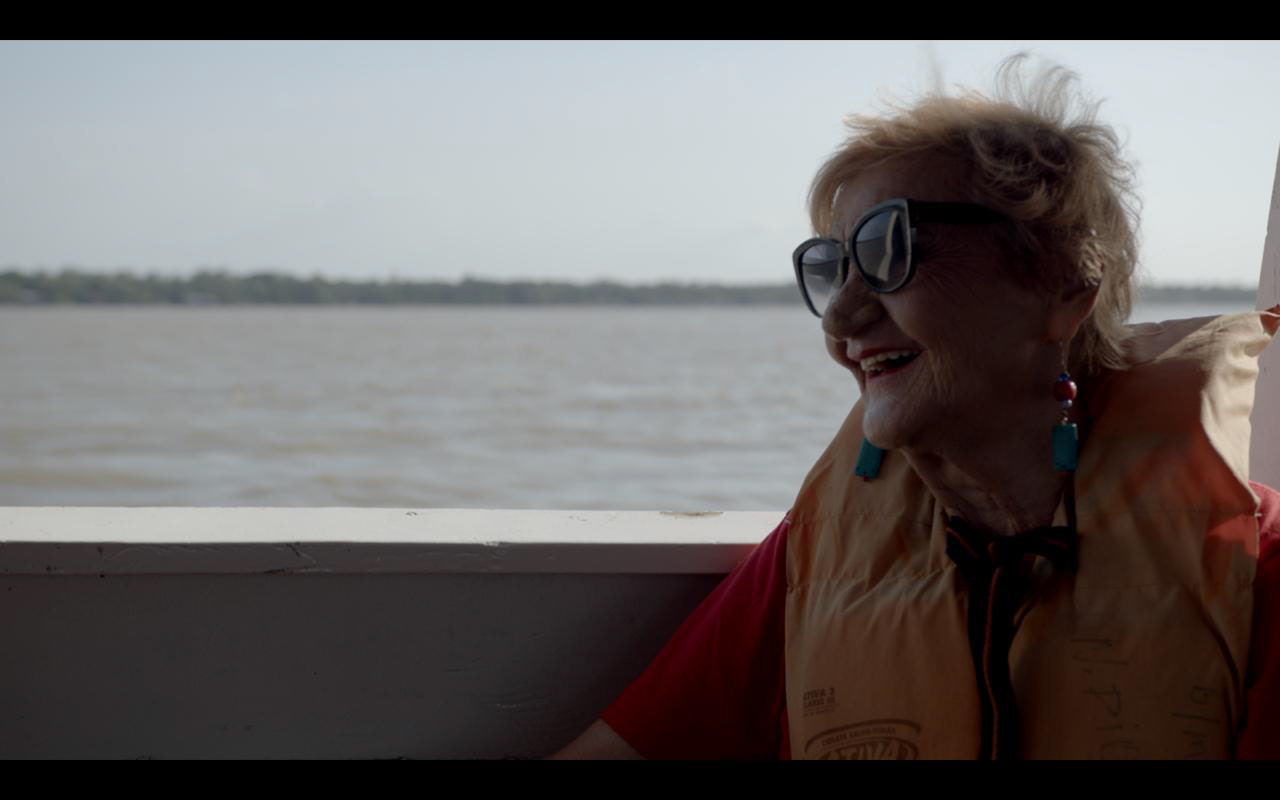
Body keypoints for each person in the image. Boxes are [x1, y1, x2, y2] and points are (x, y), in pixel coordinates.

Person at [552, 56, 1280, 760]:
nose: (841, 318)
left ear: (1062, 286)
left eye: (890, 250)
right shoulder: (817, 552)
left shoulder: (1256, 564)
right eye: (833, 267)